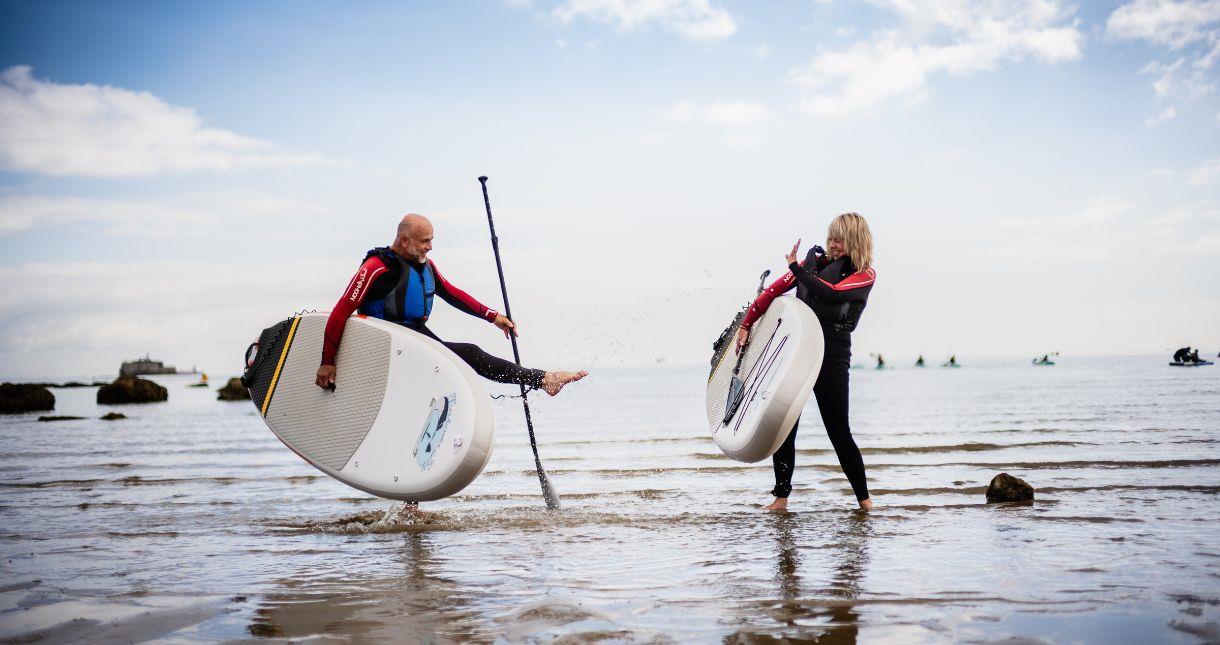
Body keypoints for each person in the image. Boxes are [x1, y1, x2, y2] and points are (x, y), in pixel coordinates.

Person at [316, 214, 587, 395]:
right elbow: (340, 313)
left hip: (415, 337)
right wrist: (328, 362)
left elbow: (452, 293)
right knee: (469, 354)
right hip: (387, 342)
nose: (430, 246)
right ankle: (543, 379)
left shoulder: (425, 266)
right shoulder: (376, 267)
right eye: (425, 241)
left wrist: (493, 316)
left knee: (460, 364)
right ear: (404, 241)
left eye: (431, 239)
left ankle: (541, 380)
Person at [735, 212, 877, 512]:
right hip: (796, 354)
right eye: (831, 238)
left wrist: (798, 269)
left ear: (854, 240)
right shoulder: (812, 267)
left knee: (839, 431)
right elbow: (773, 290)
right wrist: (747, 324)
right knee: (785, 427)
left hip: (832, 356)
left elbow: (833, 293)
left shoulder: (864, 274)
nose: (833, 244)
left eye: (840, 239)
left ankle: (865, 502)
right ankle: (781, 499)